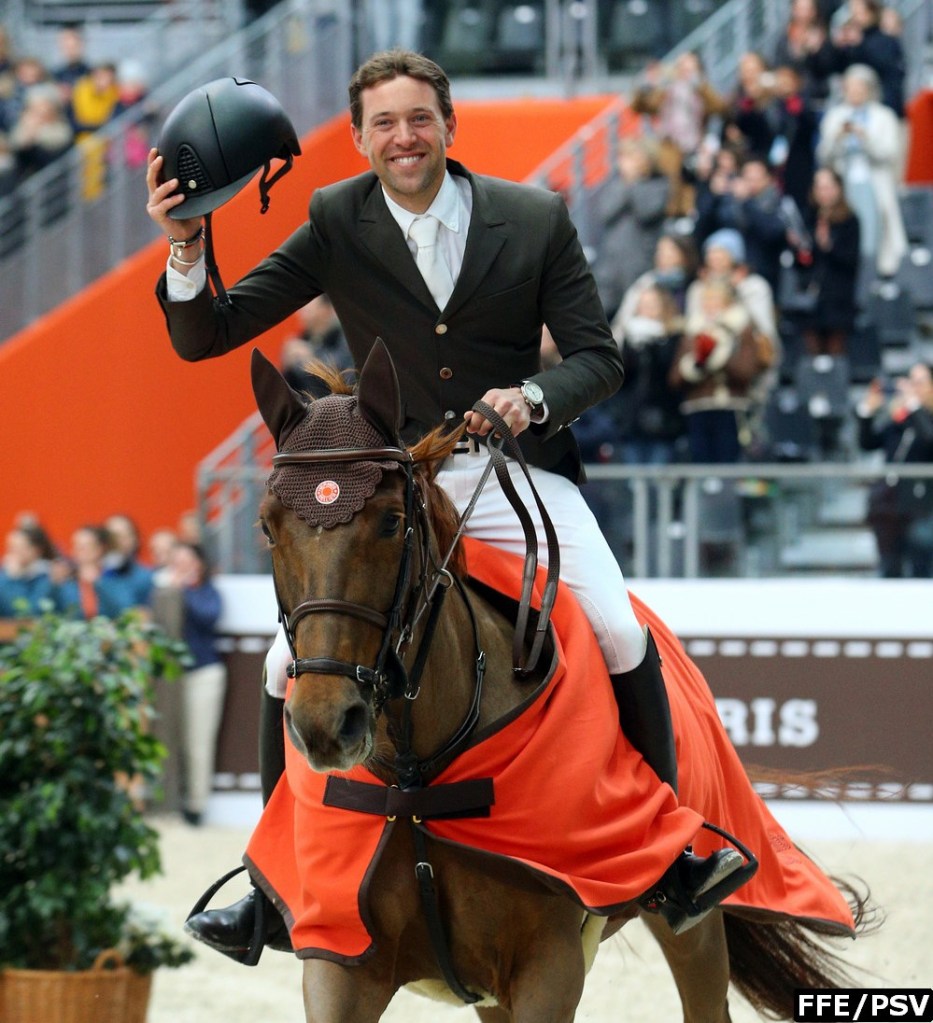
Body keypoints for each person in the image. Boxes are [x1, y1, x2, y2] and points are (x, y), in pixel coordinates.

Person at [145, 49, 748, 956]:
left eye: (418, 118)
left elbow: (599, 358)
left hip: (515, 471)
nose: (404, 137)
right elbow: (210, 333)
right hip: (396, 482)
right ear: (359, 138)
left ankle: (668, 852)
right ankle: (272, 886)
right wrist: (188, 243)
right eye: (384, 123)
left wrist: (533, 396)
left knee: (618, 630)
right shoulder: (335, 217)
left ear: (449, 125)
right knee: (281, 665)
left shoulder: (533, 217)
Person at [158, 541, 227, 825]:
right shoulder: (164, 590)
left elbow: (208, 617)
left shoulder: (207, 592)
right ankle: (171, 800)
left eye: (187, 560)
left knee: (198, 743)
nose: (181, 566)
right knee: (172, 739)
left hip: (203, 674)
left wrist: (183, 590)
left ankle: (196, 805)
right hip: (172, 677)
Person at [816, 63, 906, 278]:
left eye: (859, 87)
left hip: (874, 182)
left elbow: (890, 152)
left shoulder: (884, 116)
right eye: (850, 87)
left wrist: (864, 137)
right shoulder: (835, 116)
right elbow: (823, 155)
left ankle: (877, 275)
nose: (855, 92)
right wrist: (838, 137)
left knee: (876, 234)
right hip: (845, 183)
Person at [669, 277, 773, 463]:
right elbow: (675, 378)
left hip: (731, 407)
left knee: (728, 460)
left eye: (715, 300)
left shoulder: (742, 329)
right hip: (698, 406)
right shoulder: (693, 330)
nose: (710, 305)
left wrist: (719, 357)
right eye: (707, 300)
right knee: (700, 461)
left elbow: (747, 371)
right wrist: (697, 363)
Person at [857, 363, 933, 578]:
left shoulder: (922, 417)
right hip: (891, 504)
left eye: (920, 382)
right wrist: (867, 412)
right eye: (911, 382)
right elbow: (869, 442)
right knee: (890, 566)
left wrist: (915, 407)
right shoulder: (902, 419)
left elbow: (929, 439)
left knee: (921, 566)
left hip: (923, 506)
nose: (914, 388)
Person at [591, 136, 670, 319]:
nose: (624, 163)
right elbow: (605, 213)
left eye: (631, 157)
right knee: (600, 314)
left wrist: (635, 183)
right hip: (609, 264)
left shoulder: (658, 185)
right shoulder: (616, 184)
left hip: (639, 263)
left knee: (633, 314)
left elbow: (646, 211)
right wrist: (626, 185)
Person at [787, 167, 861, 356]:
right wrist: (798, 248)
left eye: (828, 187)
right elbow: (802, 263)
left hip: (838, 298)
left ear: (838, 189)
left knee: (836, 352)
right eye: (819, 188)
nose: (823, 193)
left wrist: (828, 246)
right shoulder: (808, 217)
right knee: (810, 352)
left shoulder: (849, 220)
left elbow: (851, 260)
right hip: (810, 296)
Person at [280, 293, 354, 394]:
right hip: (307, 400)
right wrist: (288, 366)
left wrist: (311, 355)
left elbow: (344, 371)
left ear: (326, 309)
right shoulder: (301, 338)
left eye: (308, 305)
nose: (302, 310)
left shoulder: (343, 335)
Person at [0, 522, 56, 617]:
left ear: (36, 550)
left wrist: (13, 579)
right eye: (11, 547)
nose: (12, 552)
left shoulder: (48, 575)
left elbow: (27, 612)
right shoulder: (4, 574)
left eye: (19, 547)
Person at [103, 513, 154, 608]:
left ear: (135, 540)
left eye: (123, 537)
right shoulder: (92, 573)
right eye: (112, 537)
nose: (117, 542)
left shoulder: (146, 577)